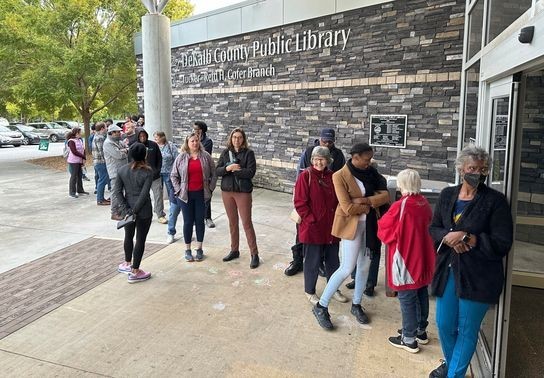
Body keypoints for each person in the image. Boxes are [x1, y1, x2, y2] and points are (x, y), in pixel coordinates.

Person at [428, 146, 513, 378]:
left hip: (480, 276)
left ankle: (454, 374)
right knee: (444, 324)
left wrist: (469, 238)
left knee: (466, 329)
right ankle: (453, 364)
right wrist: (449, 238)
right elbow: (434, 227)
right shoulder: (447, 195)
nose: (478, 173)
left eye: (483, 169)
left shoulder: (495, 202)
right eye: (472, 168)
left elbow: (502, 242)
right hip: (449, 271)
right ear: (461, 169)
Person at [312, 142, 389, 330]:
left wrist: (365, 201)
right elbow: (347, 207)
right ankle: (321, 306)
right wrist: (370, 205)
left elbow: (385, 196)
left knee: (364, 267)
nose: (369, 163)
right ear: (355, 158)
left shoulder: (372, 173)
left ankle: (356, 304)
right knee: (347, 268)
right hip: (351, 226)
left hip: (370, 226)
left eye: (370, 159)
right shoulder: (340, 176)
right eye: (366, 159)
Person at [377, 169, 436, 353]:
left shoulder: (400, 206)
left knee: (407, 297)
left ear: (403, 185)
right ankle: (421, 331)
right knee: (420, 293)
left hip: (405, 257)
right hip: (423, 256)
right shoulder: (424, 203)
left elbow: (385, 229)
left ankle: (409, 338)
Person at [285, 128, 346, 276]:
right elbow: (300, 173)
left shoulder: (338, 155)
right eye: (325, 141)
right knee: (302, 233)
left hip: (327, 202)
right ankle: (298, 260)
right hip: (308, 199)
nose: (327, 144)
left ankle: (320, 263)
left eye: (330, 141)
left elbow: (342, 177)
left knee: (325, 236)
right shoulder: (309, 152)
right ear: (319, 138)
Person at [294, 146, 347, 305]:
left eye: (322, 159)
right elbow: (300, 203)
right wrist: (311, 220)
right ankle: (309, 291)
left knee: (333, 261)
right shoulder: (306, 176)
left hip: (331, 227)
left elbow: (340, 199)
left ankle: (334, 288)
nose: (319, 162)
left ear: (328, 161)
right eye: (316, 159)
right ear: (312, 160)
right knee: (312, 261)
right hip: (313, 228)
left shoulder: (333, 176)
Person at [216, 127, 260, 269]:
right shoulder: (225, 153)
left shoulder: (249, 154)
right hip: (227, 192)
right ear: (231, 138)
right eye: (234, 137)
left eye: (240, 137)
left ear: (243, 139)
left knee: (247, 223)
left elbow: (251, 172)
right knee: (232, 223)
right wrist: (227, 169)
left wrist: (237, 170)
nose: (237, 140)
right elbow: (217, 171)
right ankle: (234, 250)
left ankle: (254, 254)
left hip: (243, 193)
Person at [170, 132, 217, 261]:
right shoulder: (181, 157)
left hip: (202, 194)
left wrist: (211, 188)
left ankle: (199, 248)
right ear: (187, 143)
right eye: (192, 141)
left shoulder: (206, 156)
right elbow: (173, 175)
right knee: (188, 222)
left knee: (200, 221)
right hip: (186, 195)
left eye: (196, 140)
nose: (195, 143)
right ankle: (188, 249)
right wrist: (179, 190)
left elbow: (214, 173)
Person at [115, 143, 154, 283]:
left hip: (128, 209)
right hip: (143, 211)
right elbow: (144, 195)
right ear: (144, 155)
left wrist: (127, 210)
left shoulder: (122, 170)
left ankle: (127, 263)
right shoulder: (148, 171)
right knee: (140, 239)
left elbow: (117, 192)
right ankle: (135, 271)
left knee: (128, 236)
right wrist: (134, 211)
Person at [136, 128, 166, 224]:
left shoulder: (153, 145)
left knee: (158, 195)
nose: (142, 137)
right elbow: (131, 161)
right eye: (140, 136)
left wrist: (157, 170)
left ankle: (160, 214)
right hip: (141, 177)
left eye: (144, 135)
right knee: (142, 196)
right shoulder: (135, 147)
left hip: (154, 176)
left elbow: (159, 158)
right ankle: (140, 214)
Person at [154, 131, 179, 244]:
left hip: (169, 173)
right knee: (157, 193)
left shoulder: (170, 146)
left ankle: (171, 208)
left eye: (157, 137)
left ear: (162, 137)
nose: (156, 139)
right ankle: (159, 212)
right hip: (157, 173)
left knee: (171, 192)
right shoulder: (154, 147)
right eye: (154, 138)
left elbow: (176, 159)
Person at [103, 124, 129, 220]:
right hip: (115, 171)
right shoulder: (108, 143)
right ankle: (114, 212)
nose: (119, 133)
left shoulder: (118, 142)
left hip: (123, 169)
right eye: (117, 132)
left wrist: (124, 150)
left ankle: (122, 210)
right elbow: (118, 155)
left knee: (122, 191)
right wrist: (125, 151)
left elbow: (127, 148)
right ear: (111, 133)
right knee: (115, 192)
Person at [193, 121, 215, 228]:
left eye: (196, 129)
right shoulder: (191, 139)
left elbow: (204, 155)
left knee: (206, 196)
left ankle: (207, 217)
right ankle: (195, 217)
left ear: (201, 130)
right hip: (193, 171)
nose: (194, 131)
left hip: (205, 172)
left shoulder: (208, 141)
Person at [66, 127, 89, 198]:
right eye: (80, 132)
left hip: (79, 161)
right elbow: (74, 151)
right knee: (74, 176)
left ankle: (80, 190)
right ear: (76, 133)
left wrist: (83, 157)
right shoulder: (71, 141)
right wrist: (83, 156)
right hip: (73, 161)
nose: (81, 133)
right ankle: (72, 192)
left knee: (80, 175)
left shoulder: (79, 140)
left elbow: (83, 149)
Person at [92, 122, 111, 206]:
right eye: (106, 127)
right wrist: (107, 160)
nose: (107, 129)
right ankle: (100, 199)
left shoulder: (96, 136)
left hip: (98, 162)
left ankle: (101, 198)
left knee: (102, 180)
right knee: (102, 180)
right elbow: (102, 150)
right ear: (102, 128)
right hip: (101, 162)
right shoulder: (99, 138)